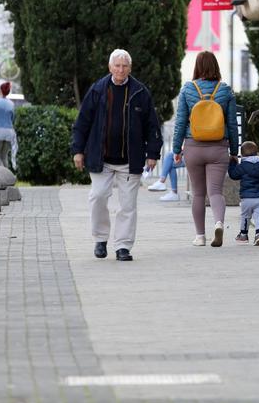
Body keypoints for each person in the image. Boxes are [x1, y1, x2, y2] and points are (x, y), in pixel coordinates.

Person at [72, 49, 162, 262]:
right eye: (117, 66)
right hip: (101, 158)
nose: (121, 70)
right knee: (98, 197)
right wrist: (77, 150)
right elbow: (82, 122)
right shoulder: (98, 90)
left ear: (130, 68)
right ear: (110, 67)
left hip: (130, 161)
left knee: (127, 205)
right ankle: (100, 239)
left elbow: (152, 125)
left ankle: (123, 246)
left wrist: (152, 153)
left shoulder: (140, 92)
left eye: (124, 66)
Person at [172, 51, 239, 248]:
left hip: (193, 147)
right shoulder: (225, 90)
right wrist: (234, 151)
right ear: (215, 66)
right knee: (216, 192)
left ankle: (200, 236)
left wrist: (176, 149)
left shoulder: (187, 89)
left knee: (198, 193)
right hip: (218, 148)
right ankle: (218, 223)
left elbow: (180, 122)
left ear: (197, 67)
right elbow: (232, 125)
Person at [227, 141, 259, 246]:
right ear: (257, 152)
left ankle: (243, 235)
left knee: (245, 216)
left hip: (246, 198)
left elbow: (233, 175)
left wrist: (232, 163)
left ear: (242, 155)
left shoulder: (243, 166)